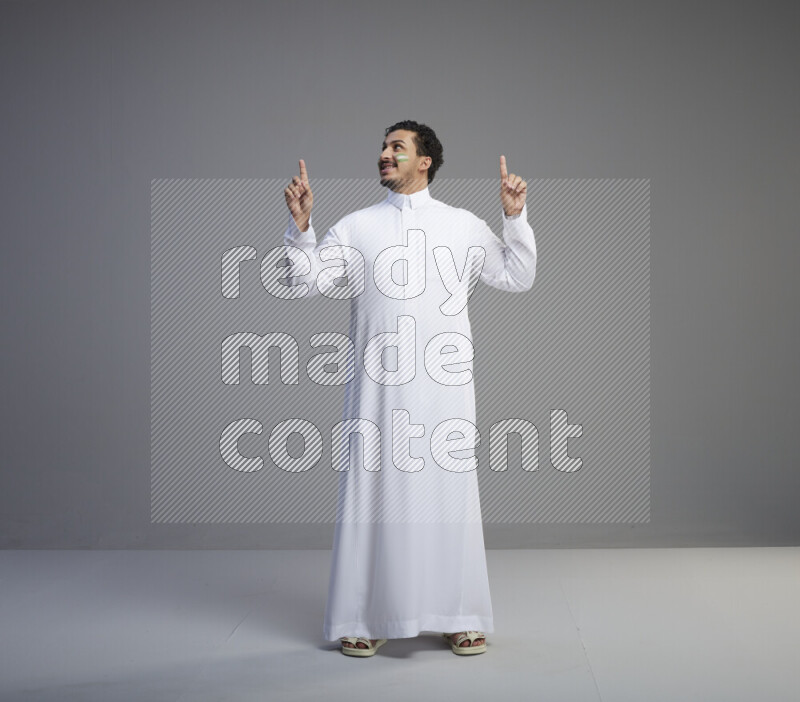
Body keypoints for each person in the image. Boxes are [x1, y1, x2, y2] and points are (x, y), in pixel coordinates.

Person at [282, 120, 536, 656]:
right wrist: (302, 227)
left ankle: (458, 613)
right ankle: (366, 615)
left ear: (425, 161)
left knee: (447, 496)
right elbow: (308, 282)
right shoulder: (356, 227)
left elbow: (517, 275)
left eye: (396, 147)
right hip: (377, 391)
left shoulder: (463, 226)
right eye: (382, 147)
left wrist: (515, 218)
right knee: (375, 497)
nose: (383, 154)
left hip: (444, 391)